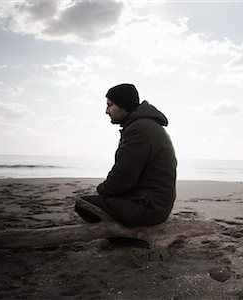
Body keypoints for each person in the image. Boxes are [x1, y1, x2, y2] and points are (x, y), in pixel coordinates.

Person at [75, 83, 177, 227]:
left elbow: (122, 177)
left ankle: (127, 238)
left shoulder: (139, 130)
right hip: (154, 203)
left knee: (83, 204)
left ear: (124, 105)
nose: (106, 111)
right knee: (99, 200)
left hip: (149, 208)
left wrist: (100, 191)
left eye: (110, 105)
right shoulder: (145, 126)